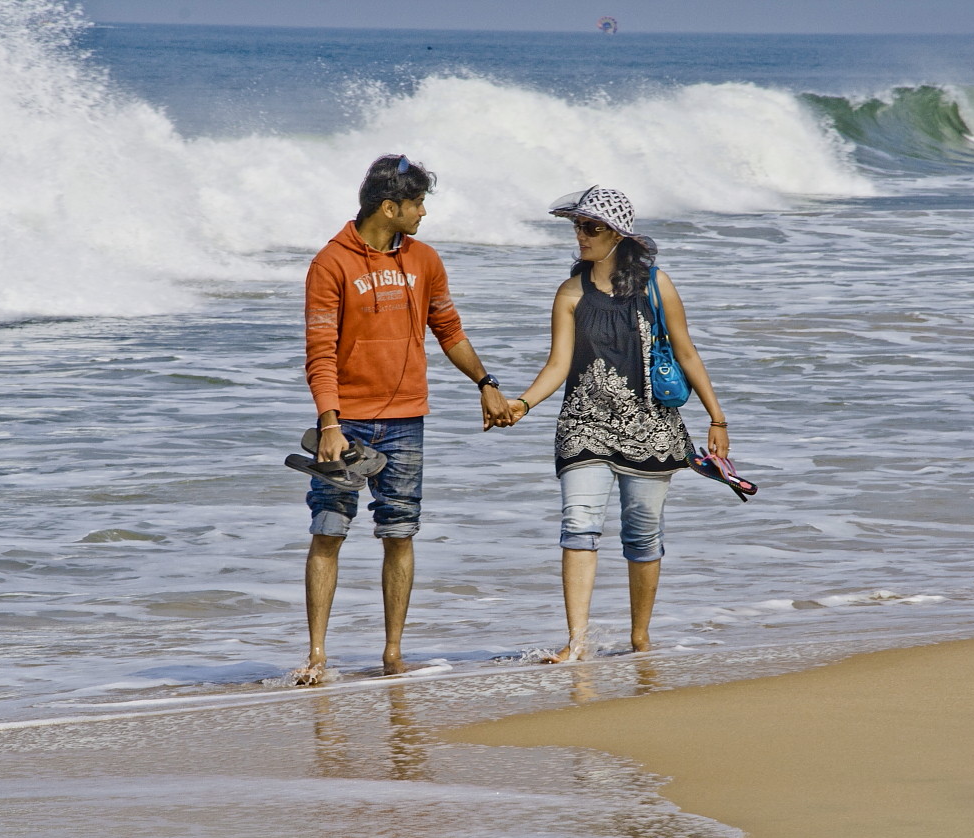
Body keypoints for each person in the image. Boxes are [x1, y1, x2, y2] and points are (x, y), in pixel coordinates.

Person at [298, 154, 511, 684]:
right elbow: (320, 351)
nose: (422, 213)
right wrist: (329, 423)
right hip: (344, 424)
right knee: (328, 530)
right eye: (416, 204)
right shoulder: (331, 263)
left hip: (406, 420)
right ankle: (318, 656)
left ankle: (393, 653)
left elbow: (449, 330)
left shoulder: (425, 261)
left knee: (400, 531)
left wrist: (486, 384)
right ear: (389, 207)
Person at [503, 186, 730, 662]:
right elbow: (558, 366)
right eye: (578, 227)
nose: (580, 236)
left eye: (591, 228)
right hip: (584, 423)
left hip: (651, 423)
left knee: (642, 533)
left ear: (618, 235)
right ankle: (576, 643)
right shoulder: (569, 293)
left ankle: (640, 638)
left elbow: (686, 350)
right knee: (578, 524)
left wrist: (717, 417)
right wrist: (520, 405)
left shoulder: (656, 285)